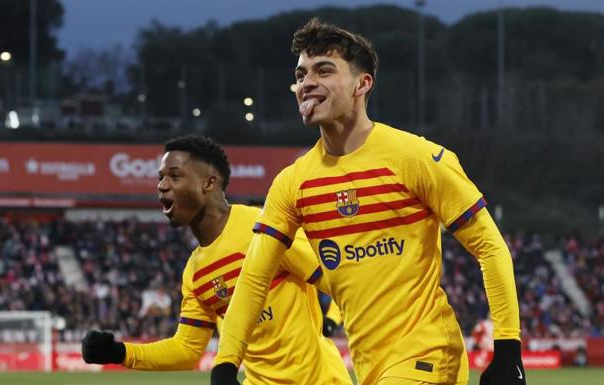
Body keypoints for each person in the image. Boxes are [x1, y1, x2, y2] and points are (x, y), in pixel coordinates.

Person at [211, 18, 525, 385]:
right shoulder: (292, 183)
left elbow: (490, 246)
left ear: (363, 83)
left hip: (428, 353)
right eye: (301, 74)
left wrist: (508, 351)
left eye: (324, 70)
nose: (306, 83)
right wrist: (225, 364)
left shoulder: (417, 158)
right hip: (369, 367)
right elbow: (253, 277)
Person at [81, 135, 351, 385]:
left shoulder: (265, 226)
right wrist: (120, 352)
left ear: (208, 183)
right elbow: (187, 349)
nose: (162, 185)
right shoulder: (195, 272)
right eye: (160, 177)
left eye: (174, 176)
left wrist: (335, 320)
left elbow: (339, 282)